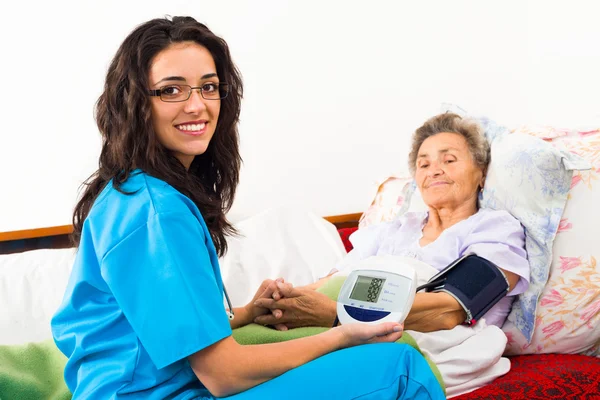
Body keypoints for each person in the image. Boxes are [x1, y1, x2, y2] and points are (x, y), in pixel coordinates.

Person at [50, 16, 444, 400]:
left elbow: (156, 327)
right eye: (172, 90)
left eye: (208, 87)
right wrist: (341, 335)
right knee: (400, 366)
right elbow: (224, 374)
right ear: (135, 103)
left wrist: (248, 313)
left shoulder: (129, 194)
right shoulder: (158, 213)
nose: (197, 106)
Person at [254, 113, 530, 332]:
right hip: (346, 327)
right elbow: (332, 283)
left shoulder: (495, 229)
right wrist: (285, 300)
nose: (434, 170)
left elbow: (451, 310)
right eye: (423, 165)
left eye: (449, 159)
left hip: (426, 341)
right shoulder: (393, 229)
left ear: (481, 174)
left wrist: (337, 315)